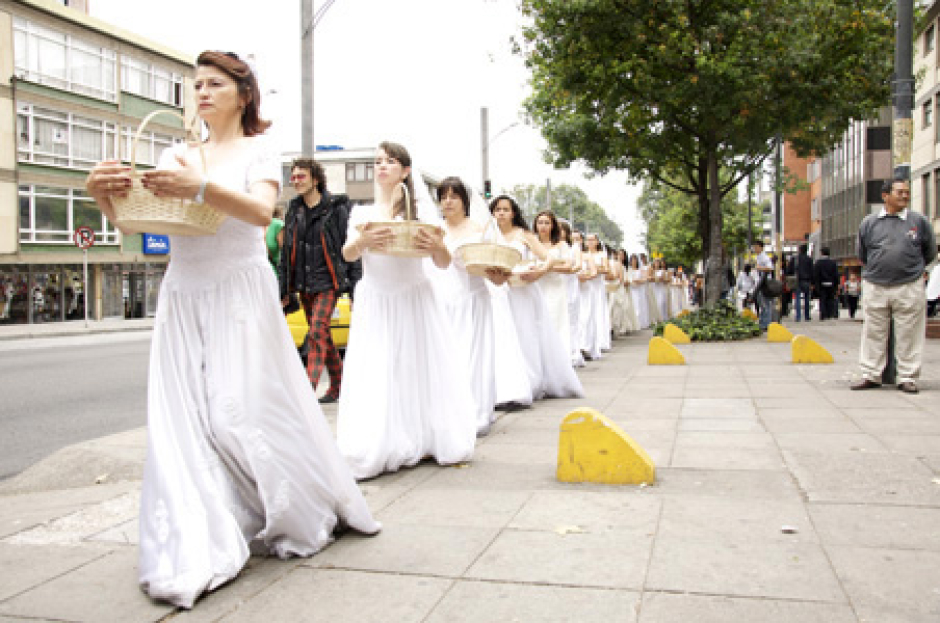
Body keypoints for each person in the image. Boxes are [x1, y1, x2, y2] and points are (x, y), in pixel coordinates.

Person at [85, 51, 379, 609]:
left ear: (243, 94)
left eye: (214, 83)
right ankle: (204, 525)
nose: (201, 92)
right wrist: (102, 192)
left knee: (241, 409)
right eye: (195, 84)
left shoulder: (258, 150)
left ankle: (299, 502)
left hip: (239, 291)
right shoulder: (175, 152)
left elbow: (258, 212)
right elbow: (132, 221)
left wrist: (200, 188)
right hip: (183, 292)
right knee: (186, 416)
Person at [337, 141, 476, 478]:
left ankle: (422, 434)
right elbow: (348, 254)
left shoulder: (422, 215)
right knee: (379, 367)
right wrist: (363, 242)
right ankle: (381, 438)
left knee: (415, 365)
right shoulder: (362, 213)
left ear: (405, 170)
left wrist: (438, 246)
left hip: (414, 297)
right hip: (376, 298)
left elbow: (443, 263)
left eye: (390, 161)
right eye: (377, 161)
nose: (381, 166)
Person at [278, 157, 355, 404]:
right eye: (293, 176)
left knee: (316, 331)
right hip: (303, 283)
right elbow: (286, 251)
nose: (295, 181)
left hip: (328, 281)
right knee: (324, 337)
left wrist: (354, 288)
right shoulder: (294, 209)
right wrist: (284, 289)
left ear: (315, 179)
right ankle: (339, 385)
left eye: (301, 176)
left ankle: (305, 393)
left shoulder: (336, 209)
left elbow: (348, 248)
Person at [491, 195, 584, 399]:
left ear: (513, 213)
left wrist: (539, 272)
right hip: (498, 291)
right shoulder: (489, 234)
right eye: (497, 209)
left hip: (523, 289)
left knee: (526, 335)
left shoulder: (523, 234)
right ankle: (507, 386)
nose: (501, 213)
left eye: (505, 209)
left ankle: (532, 382)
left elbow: (549, 258)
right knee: (503, 338)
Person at [852, 178, 937, 394]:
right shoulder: (869, 223)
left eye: (907, 192)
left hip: (909, 285)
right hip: (876, 284)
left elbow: (930, 252)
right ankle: (871, 374)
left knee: (909, 332)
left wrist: (914, 270)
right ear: (885, 196)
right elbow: (862, 254)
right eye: (900, 192)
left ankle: (907, 376)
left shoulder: (918, 221)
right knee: (873, 331)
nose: (905, 196)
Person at [435, 176, 498, 436]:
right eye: (444, 196)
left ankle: (476, 411)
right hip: (441, 299)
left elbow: (494, 268)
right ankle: (446, 411)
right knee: (445, 357)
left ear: (465, 200)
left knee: (472, 356)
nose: (448, 202)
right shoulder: (435, 229)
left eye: (454, 196)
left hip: (472, 299)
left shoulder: (479, 230)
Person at [534, 210, 573, 355]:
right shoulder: (532, 243)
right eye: (540, 222)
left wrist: (547, 268)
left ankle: (559, 356)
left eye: (546, 223)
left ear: (552, 226)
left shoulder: (561, 244)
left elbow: (568, 267)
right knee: (538, 323)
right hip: (536, 286)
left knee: (555, 320)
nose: (543, 226)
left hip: (555, 287)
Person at [560, 221, 585, 367]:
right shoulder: (552, 246)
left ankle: (573, 351)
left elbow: (578, 265)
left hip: (569, 283)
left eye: (562, 230)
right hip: (556, 284)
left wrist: (565, 270)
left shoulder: (573, 248)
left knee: (571, 319)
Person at [752, 240, 774, 330]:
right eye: (754, 247)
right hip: (760, 283)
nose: (755, 249)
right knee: (762, 304)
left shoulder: (764, 257)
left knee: (765, 304)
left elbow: (770, 268)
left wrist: (759, 268)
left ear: (761, 247)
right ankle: (763, 323)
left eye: (756, 247)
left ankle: (766, 324)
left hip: (764, 284)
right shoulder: (758, 257)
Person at [813, 246, 839, 321]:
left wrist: (815, 284)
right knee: (830, 299)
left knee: (822, 299)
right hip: (831, 284)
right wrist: (837, 284)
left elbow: (816, 274)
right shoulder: (833, 263)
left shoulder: (818, 263)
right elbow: (836, 274)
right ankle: (829, 313)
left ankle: (823, 314)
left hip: (821, 284)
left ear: (822, 253)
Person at [790, 244, 814, 321]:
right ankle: (807, 316)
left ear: (799, 250)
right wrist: (812, 282)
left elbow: (789, 270)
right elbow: (812, 271)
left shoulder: (795, 258)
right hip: (806, 280)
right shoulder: (809, 259)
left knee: (797, 298)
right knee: (807, 298)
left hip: (797, 280)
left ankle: (798, 316)